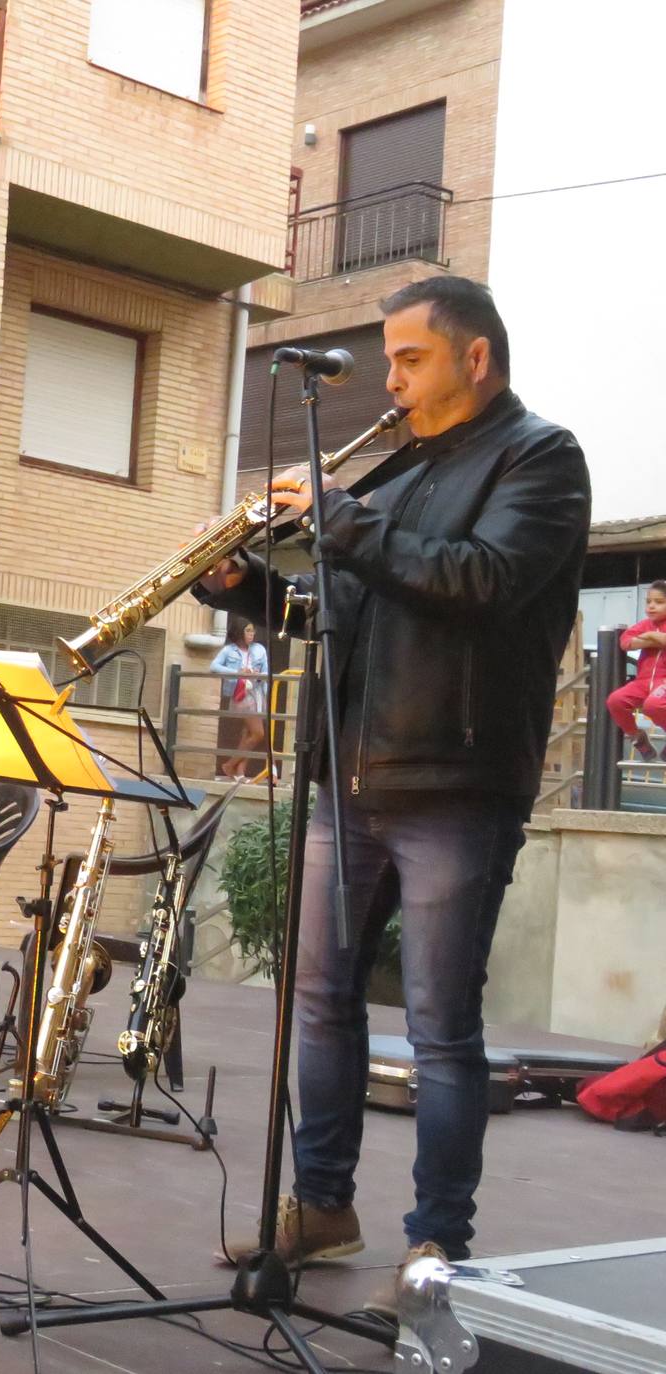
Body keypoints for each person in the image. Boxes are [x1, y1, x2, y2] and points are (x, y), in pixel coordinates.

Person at [198, 276, 591, 1311]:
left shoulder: (539, 459)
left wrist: (343, 523)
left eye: (407, 358)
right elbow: (342, 611)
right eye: (385, 358)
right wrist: (245, 588)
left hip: (453, 782)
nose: (389, 378)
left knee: (437, 1025)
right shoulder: (400, 471)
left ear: (473, 358)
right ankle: (321, 1206)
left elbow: (479, 580)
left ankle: (436, 1245)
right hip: (348, 773)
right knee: (320, 1003)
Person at [605, 580, 666, 762]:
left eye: (659, 602)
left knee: (653, 705)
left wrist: (649, 637)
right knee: (615, 701)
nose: (652, 606)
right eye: (648, 602)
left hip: (663, 681)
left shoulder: (647, 629)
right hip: (643, 681)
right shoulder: (645, 624)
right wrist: (654, 638)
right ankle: (637, 736)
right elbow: (625, 641)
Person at [210, 618, 270, 780]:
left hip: (257, 693)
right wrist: (237, 672)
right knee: (258, 733)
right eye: (248, 631)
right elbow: (214, 667)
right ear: (239, 632)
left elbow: (267, 671)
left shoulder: (259, 649)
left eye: (253, 631)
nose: (252, 634)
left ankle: (239, 771)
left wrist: (257, 675)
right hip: (241, 692)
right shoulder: (229, 650)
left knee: (248, 732)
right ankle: (229, 764)